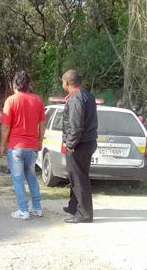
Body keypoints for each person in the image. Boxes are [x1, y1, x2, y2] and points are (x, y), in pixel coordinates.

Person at [0, 71, 45, 220]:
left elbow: (5, 126)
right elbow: (42, 124)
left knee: (18, 179)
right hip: (32, 146)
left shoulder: (10, 101)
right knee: (31, 176)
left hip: (16, 146)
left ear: (14, 85)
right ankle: (37, 208)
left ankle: (23, 210)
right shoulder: (38, 100)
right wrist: (40, 141)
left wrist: (2, 145)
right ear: (27, 84)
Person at [61, 69, 98, 224]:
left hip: (79, 144)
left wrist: (70, 144)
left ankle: (84, 214)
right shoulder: (87, 94)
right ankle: (73, 206)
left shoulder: (76, 98)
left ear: (67, 83)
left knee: (79, 178)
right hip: (86, 142)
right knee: (76, 177)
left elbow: (76, 126)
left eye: (62, 82)